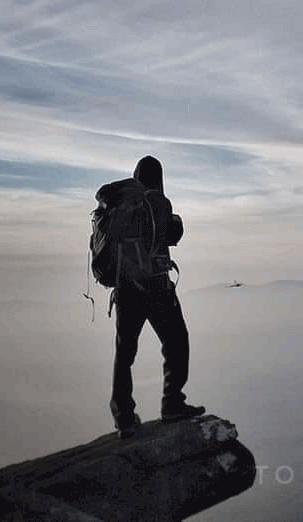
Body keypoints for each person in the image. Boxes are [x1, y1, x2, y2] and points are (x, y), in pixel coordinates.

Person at [110, 155, 205, 438]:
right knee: (176, 342)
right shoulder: (159, 202)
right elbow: (171, 235)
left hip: (126, 289)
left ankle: (124, 417)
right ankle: (172, 403)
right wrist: (176, 221)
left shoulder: (119, 207)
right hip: (155, 288)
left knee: (125, 353)